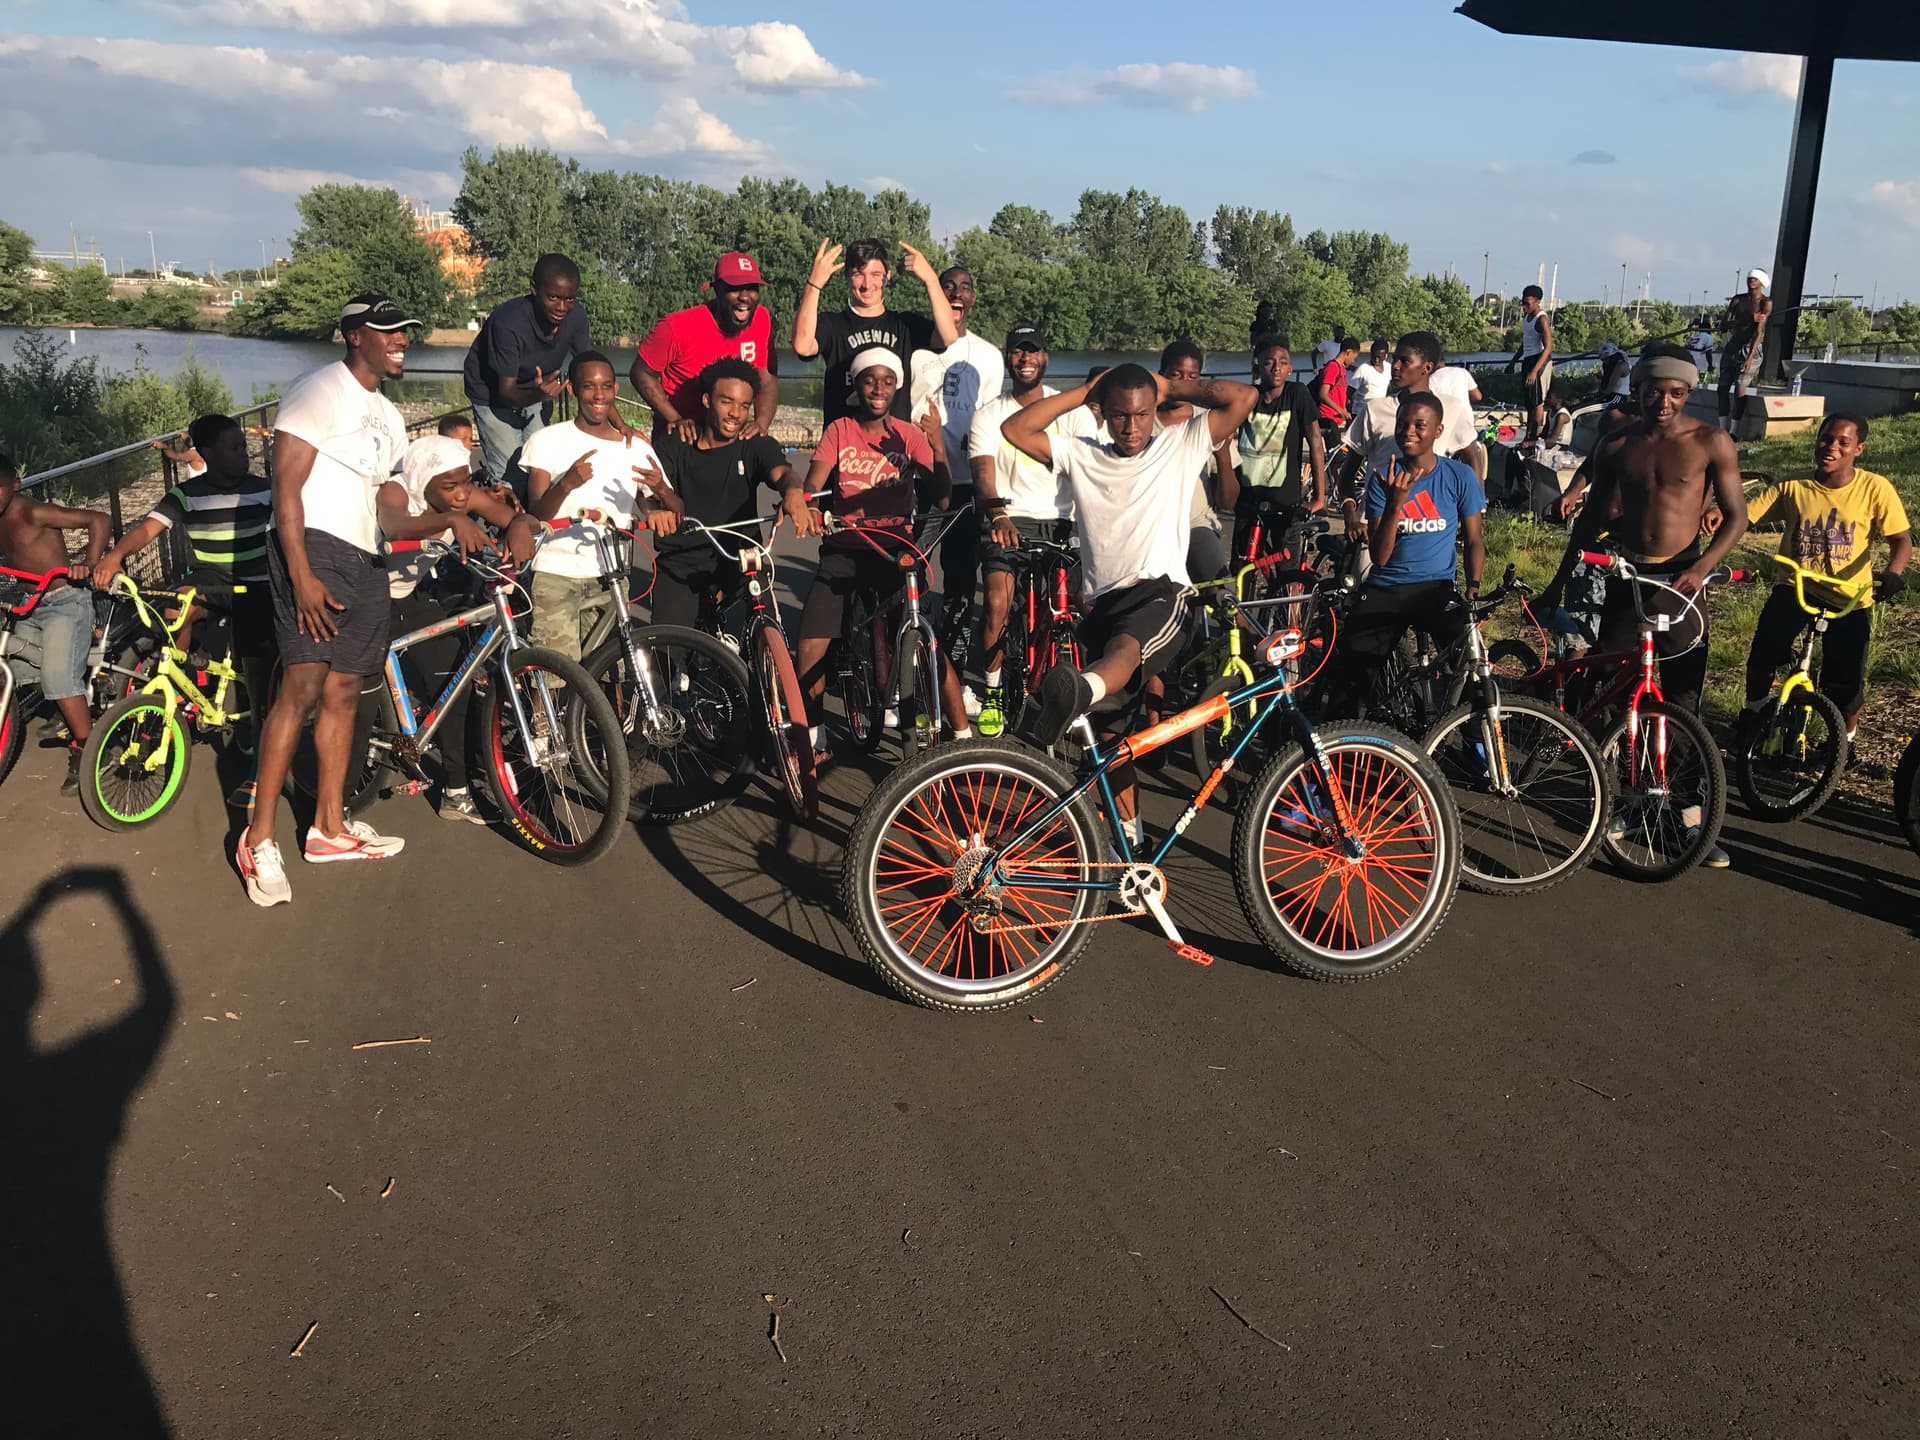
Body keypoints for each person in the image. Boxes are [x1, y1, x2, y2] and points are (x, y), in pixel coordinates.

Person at [1001, 364, 1259, 843]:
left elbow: (1242, 398)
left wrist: (1170, 386)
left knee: (1125, 649)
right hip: (1101, 605)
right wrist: (1085, 390)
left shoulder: (1178, 446)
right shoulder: (1082, 455)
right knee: (1115, 744)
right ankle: (1131, 843)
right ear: (1103, 414)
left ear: (1153, 411)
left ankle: (1077, 689)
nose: (1132, 426)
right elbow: (1015, 429)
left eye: (1142, 414)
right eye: (1120, 415)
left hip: (1162, 594)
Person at [1541, 343, 1749, 865]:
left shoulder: (1710, 441)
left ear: (1689, 393)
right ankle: (1628, 799)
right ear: (1636, 390)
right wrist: (1559, 581)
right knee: (1615, 694)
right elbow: (1591, 521)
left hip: (1682, 585)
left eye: (1677, 392)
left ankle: (1686, 818)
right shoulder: (1616, 445)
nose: (1665, 401)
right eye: (1654, 390)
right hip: (1627, 578)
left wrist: (1700, 570)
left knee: (1679, 704)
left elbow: (1736, 515)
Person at [242, 294, 418, 906]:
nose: (401, 341)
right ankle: (258, 836)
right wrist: (300, 575)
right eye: (388, 331)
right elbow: (285, 488)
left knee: (345, 690)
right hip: (313, 549)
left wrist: (439, 516)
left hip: (367, 557)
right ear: (354, 336)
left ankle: (328, 827)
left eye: (405, 333)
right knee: (303, 688)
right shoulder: (318, 391)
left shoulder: (390, 417)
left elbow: (388, 503)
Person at [784, 349, 969, 756]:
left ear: (897, 386)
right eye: (870, 380)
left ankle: (962, 735)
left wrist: (937, 444)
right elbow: (815, 480)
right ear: (856, 383)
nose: (878, 388)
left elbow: (940, 498)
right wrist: (810, 503)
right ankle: (814, 735)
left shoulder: (908, 434)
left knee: (924, 638)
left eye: (887, 381)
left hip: (895, 551)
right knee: (813, 640)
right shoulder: (840, 430)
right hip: (845, 547)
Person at [92, 413, 276, 806]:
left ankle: (262, 769)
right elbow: (147, 527)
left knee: (260, 686)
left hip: (257, 585)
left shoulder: (264, 490)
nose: (244, 455)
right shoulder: (186, 494)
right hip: (211, 581)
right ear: (206, 453)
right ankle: (174, 690)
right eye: (234, 448)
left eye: (244, 447)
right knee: (176, 609)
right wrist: (115, 557)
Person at [378, 435, 539, 824]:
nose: (461, 495)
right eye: (449, 487)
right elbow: (395, 526)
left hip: (409, 594)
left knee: (454, 681)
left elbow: (515, 516)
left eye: (464, 483)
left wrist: (519, 524)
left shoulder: (462, 495)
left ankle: (456, 791)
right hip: (369, 594)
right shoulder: (395, 492)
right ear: (422, 480)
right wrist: (452, 520)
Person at [1739, 414, 1911, 752]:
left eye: (1843, 443)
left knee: (1844, 685)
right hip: (1796, 587)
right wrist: (1719, 514)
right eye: (1826, 438)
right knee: (1764, 654)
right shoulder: (1793, 486)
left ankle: (1843, 745)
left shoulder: (1875, 488)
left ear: (1858, 449)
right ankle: (1752, 716)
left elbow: (1901, 539)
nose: (1831, 447)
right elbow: (1744, 517)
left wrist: (1893, 573)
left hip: (1849, 597)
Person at [1315, 393, 1486, 719]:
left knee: (1472, 666)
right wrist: (1395, 502)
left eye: (1420, 425)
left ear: (1438, 431)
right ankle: (1343, 748)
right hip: (1387, 588)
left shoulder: (1458, 477)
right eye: (1402, 424)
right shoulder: (1382, 478)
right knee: (1351, 676)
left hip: (1436, 589)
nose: (1409, 431)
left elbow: (1476, 539)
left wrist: (1473, 587)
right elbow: (1380, 556)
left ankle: (1476, 745)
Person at [969, 324, 1090, 737]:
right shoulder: (989, 414)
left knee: (1085, 605)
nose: (1025, 359)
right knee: (999, 603)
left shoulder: (1069, 410)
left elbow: (1092, 470)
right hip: (1008, 519)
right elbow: (984, 476)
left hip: (1062, 522)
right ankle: (992, 693)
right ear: (1008, 358)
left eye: (1033, 352)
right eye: (1018, 352)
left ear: (1045, 358)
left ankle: (1085, 691)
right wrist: (998, 516)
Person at [522, 352, 671, 661]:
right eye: (588, 386)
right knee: (553, 674)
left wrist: (656, 507)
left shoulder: (635, 447)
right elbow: (535, 515)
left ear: (616, 390)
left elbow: (656, 501)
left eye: (606, 386)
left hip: (610, 573)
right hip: (555, 572)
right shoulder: (545, 439)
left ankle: (609, 714)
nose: (599, 395)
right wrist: (565, 485)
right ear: (573, 390)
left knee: (608, 669)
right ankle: (541, 712)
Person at [644, 358, 793, 629]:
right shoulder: (675, 445)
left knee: (767, 623)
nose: (736, 413)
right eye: (727, 401)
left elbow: (782, 473)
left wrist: (793, 492)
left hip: (741, 555)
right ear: (706, 400)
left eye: (745, 406)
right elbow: (650, 490)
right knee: (667, 651)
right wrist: (653, 511)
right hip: (682, 561)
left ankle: (767, 663)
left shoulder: (753, 444)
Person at [910, 265, 1005, 692]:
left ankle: (953, 672)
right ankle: (909, 669)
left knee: (962, 581)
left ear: (973, 298)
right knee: (911, 572)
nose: (956, 293)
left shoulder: (988, 355)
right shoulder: (917, 349)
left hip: (965, 481)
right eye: (947, 285)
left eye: (965, 287)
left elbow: (989, 418)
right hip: (920, 479)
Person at [0, 453, 108, 795]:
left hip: (65, 601)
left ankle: (88, 750)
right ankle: (68, 704)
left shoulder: (32, 511)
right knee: (19, 670)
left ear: (15, 485)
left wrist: (88, 564)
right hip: (30, 603)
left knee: (58, 678)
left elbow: (99, 519)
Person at [790, 236, 959, 426]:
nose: (867, 284)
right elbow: (802, 346)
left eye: (876, 274)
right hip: (843, 445)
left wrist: (931, 280)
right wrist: (814, 284)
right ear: (847, 276)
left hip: (892, 447)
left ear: (888, 276)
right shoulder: (832, 324)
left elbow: (949, 335)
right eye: (858, 274)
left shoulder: (903, 325)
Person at [461, 253, 593, 492]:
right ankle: (503, 525)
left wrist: (618, 424)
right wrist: (539, 394)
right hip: (492, 392)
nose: (562, 308)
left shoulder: (576, 316)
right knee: (510, 473)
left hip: (536, 388)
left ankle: (537, 524)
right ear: (534, 289)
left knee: (540, 463)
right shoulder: (508, 322)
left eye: (570, 299)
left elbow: (591, 368)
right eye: (553, 297)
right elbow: (506, 392)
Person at [1342, 331, 1477, 546]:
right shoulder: (1375, 409)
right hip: (1375, 525)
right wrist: (1351, 518)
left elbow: (1473, 457)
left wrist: (1471, 509)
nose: (1395, 366)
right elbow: (1347, 473)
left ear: (1427, 368)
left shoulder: (1450, 408)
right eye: (1394, 359)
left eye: (1404, 361)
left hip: (1429, 528)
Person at [631, 250, 778, 444]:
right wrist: (674, 418)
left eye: (752, 288)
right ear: (717, 290)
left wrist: (761, 423)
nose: (745, 297)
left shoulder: (761, 319)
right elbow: (640, 372)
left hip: (728, 437)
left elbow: (766, 379)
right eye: (735, 288)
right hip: (683, 436)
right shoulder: (676, 326)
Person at [1227, 334, 1326, 559]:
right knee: (1242, 564)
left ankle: (1292, 593)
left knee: (1286, 569)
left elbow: (1316, 441)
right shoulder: (1248, 397)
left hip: (1285, 502)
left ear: (1290, 368)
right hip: (1249, 500)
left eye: (1283, 362)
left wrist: (1319, 497)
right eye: (1269, 362)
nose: (1276, 368)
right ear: (1259, 367)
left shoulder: (1297, 394)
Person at [1157, 342, 1239, 584]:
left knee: (1222, 593)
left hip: (1196, 524)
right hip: (1151, 526)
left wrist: (1222, 452)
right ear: (1161, 374)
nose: (1184, 383)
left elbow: (1228, 501)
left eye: (1192, 377)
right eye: (1176, 375)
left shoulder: (1210, 422)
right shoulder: (1139, 420)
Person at [1718, 269, 1772, 434]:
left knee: (1740, 388)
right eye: (1750, 278)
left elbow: (1758, 332)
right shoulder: (1738, 300)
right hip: (1733, 346)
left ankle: (1733, 432)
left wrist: (1750, 358)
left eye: (1755, 279)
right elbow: (1724, 325)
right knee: (1722, 388)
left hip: (1750, 348)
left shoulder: (1765, 303)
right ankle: (1722, 428)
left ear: (1762, 282)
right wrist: (1747, 318)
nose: (1751, 281)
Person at [1428, 356, 1485, 476]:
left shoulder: (1431, 380)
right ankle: (1478, 491)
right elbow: (1478, 396)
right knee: (1473, 460)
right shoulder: (1462, 372)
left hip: (1447, 425)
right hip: (1467, 423)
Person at [1511, 284, 1553, 443]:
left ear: (1537, 302)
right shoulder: (1526, 318)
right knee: (1529, 401)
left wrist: (1535, 371)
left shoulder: (1541, 319)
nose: (1525, 306)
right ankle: (1529, 433)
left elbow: (1548, 347)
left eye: (1528, 303)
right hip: (1528, 360)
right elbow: (1525, 342)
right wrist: (1514, 361)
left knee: (1537, 401)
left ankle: (1537, 436)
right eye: (1523, 302)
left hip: (1539, 362)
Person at [1314, 335, 1361, 443]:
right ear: (1348, 352)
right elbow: (1323, 394)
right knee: (1337, 458)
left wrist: (1344, 410)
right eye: (1354, 358)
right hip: (1327, 417)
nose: (1353, 361)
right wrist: (1340, 410)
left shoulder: (1342, 369)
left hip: (1336, 418)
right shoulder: (1333, 367)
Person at [1349, 340, 1393, 409]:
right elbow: (1349, 392)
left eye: (1379, 357)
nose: (1376, 360)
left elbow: (1390, 390)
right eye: (1374, 356)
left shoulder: (1389, 368)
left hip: (1379, 411)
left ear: (1386, 355)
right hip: (1361, 412)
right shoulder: (1363, 369)